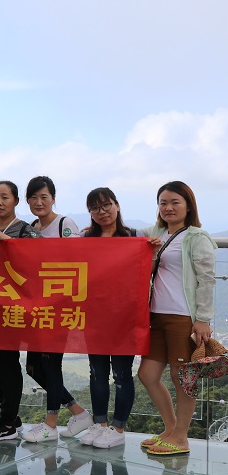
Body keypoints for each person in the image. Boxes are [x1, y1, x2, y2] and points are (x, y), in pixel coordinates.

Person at [139, 181, 216, 456]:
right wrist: (92, 232)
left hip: (184, 316)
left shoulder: (197, 237)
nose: (168, 207)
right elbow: (124, 235)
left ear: (188, 206)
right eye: (163, 203)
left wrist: (203, 319)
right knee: (147, 374)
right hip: (156, 315)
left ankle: (181, 437)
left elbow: (207, 280)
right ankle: (171, 429)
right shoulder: (156, 233)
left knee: (181, 376)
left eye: (175, 202)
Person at [22, 176, 92, 443]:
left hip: (58, 307)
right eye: (33, 197)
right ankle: (78, 412)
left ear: (53, 198)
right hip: (35, 308)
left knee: (52, 364)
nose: (39, 202)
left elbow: (76, 262)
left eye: (44, 197)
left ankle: (50, 424)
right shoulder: (30, 228)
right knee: (33, 368)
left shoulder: (65, 225)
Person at [0, 181, 37, 443]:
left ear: (15, 201)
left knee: (7, 362)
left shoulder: (26, 230)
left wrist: (10, 243)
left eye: (5, 197)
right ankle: (8, 413)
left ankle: (9, 422)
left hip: (13, 308)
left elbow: (37, 261)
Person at [78, 188, 138, 449]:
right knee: (97, 372)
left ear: (117, 205)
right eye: (94, 208)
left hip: (125, 316)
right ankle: (100, 424)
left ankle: (119, 428)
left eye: (106, 205)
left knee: (122, 373)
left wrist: (152, 249)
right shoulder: (85, 239)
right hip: (95, 315)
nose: (101, 212)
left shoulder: (134, 236)